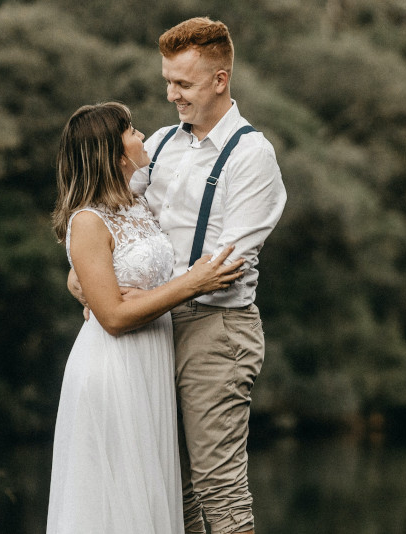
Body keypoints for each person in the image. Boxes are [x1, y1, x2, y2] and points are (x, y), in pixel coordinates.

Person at [70, 17, 286, 534]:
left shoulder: (252, 156)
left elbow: (224, 265)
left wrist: (143, 296)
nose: (171, 95)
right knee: (175, 484)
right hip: (155, 329)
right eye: (167, 81)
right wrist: (85, 279)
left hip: (217, 330)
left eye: (183, 84)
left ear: (220, 79)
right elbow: (116, 219)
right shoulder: (162, 143)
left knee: (219, 485)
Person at [47, 101, 246, 533]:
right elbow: (114, 317)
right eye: (131, 131)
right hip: (113, 368)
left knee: (151, 492)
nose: (141, 136)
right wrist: (193, 283)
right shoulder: (88, 221)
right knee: (114, 501)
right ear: (113, 154)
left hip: (150, 362)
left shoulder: (136, 202)